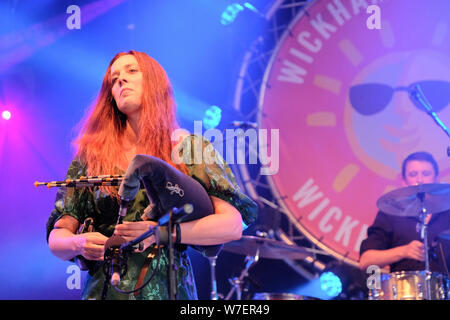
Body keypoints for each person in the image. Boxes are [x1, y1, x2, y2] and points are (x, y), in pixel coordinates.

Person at [46, 50, 258, 300]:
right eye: (114, 79)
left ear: (155, 82)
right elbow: (57, 237)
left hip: (167, 289)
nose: (121, 80)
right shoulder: (90, 157)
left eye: (131, 71)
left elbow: (231, 226)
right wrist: (77, 244)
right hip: (104, 291)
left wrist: (160, 233)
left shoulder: (188, 148)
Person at [359, 151, 450, 274]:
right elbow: (366, 260)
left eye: (426, 174)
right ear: (404, 181)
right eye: (413, 174)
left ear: (436, 178)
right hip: (406, 290)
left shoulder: (447, 211)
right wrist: (403, 251)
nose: (420, 179)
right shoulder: (391, 213)